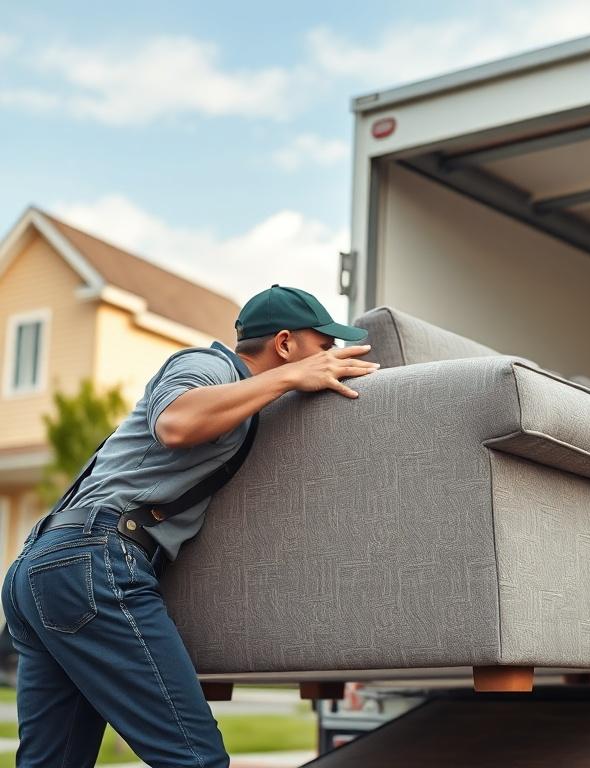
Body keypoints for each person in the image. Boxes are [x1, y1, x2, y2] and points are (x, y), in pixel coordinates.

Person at [2, 285, 379, 765]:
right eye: (323, 346)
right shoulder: (207, 365)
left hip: (51, 567)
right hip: (91, 562)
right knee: (194, 759)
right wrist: (292, 379)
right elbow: (176, 423)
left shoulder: (241, 401)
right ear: (285, 345)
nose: (330, 357)